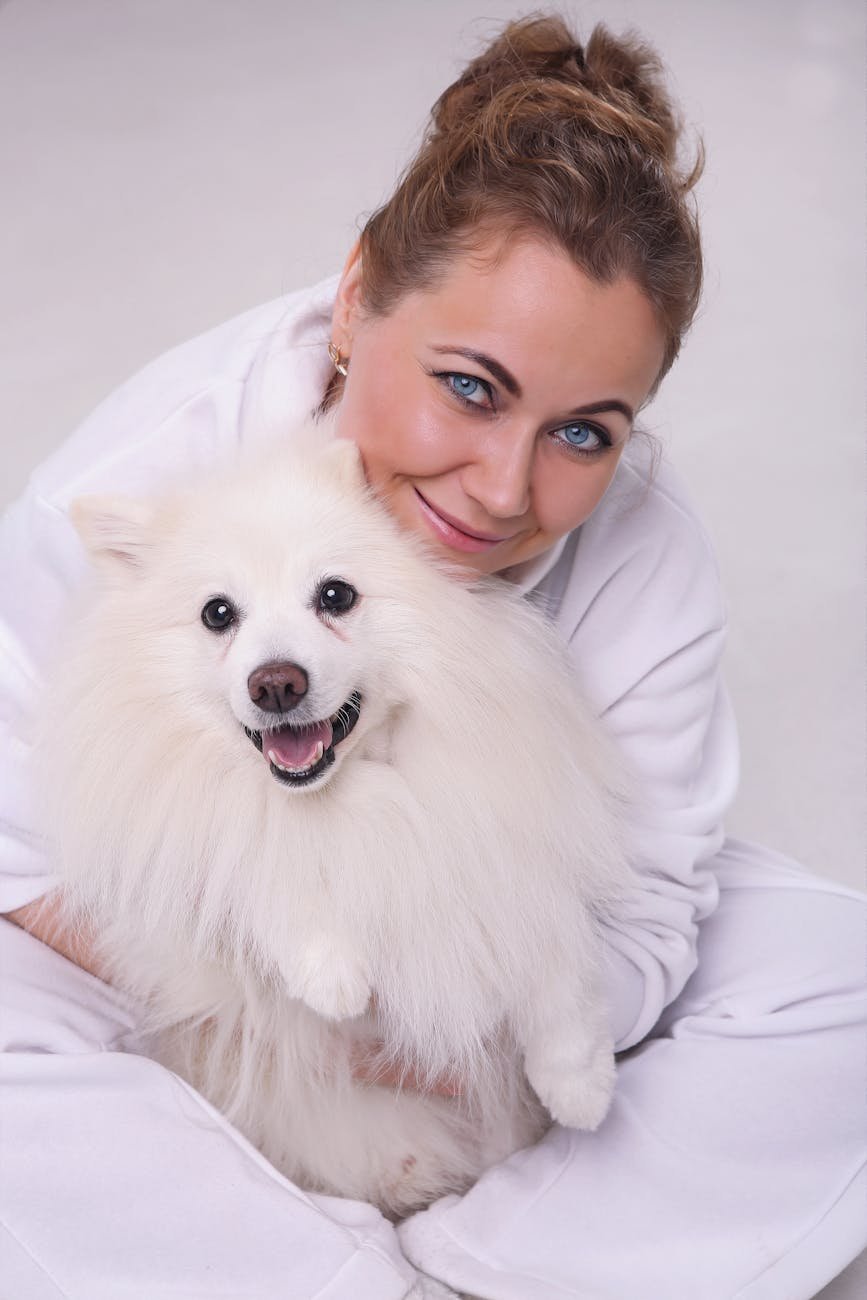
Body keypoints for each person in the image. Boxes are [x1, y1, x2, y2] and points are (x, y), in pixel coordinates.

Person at [0, 15, 863, 1300]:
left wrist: (481, 1001)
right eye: (470, 386)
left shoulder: (644, 546)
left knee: (843, 982)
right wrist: (278, 981)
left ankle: (506, 1253)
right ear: (357, 300)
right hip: (192, 961)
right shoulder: (153, 472)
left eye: (585, 432)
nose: (504, 488)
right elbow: (19, 855)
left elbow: (650, 905)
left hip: (504, 970)